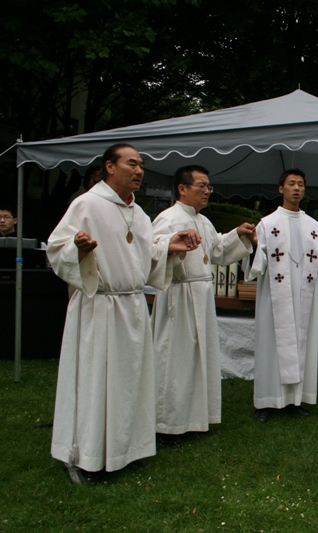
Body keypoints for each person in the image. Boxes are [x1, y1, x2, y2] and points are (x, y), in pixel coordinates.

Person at [46, 143, 201, 483]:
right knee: (95, 382)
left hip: (131, 306)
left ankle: (126, 449)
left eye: (142, 165)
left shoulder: (140, 214)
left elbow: (145, 256)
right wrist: (78, 248)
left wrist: (167, 248)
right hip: (99, 306)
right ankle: (83, 456)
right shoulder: (87, 204)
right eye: (132, 163)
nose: (139, 170)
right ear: (109, 167)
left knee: (130, 383)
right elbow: (57, 249)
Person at [150, 165, 257, 435]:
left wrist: (238, 234)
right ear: (182, 188)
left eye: (209, 186)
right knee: (175, 359)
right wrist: (171, 247)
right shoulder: (168, 218)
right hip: (178, 295)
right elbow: (152, 249)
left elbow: (217, 250)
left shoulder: (203, 220)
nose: (207, 191)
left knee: (198, 360)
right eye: (202, 186)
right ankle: (167, 423)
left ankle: (195, 417)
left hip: (202, 295)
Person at [247, 169, 318, 422]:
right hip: (275, 297)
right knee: (271, 344)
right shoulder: (267, 223)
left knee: (300, 343)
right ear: (281, 189)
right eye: (291, 184)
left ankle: (295, 400)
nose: (297, 188)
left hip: (304, 295)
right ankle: (266, 400)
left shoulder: (313, 225)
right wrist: (254, 244)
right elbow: (258, 262)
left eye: (300, 184)